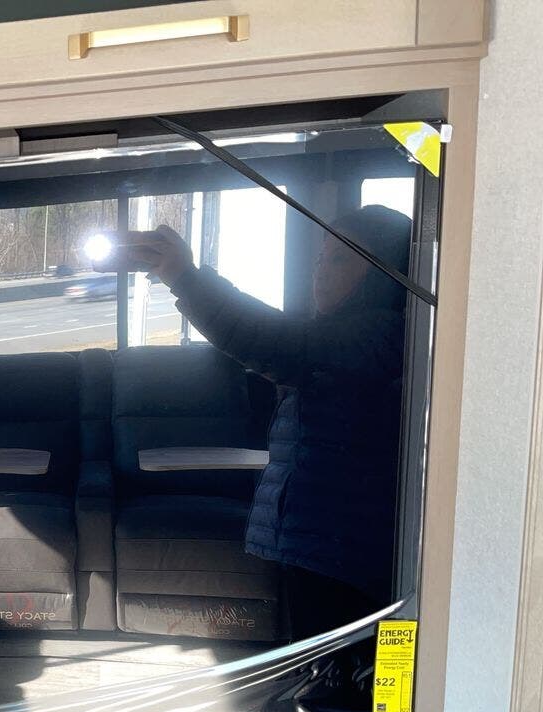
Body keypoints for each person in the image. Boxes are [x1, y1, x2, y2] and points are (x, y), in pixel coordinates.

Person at [106, 205, 413, 639]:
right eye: (321, 257)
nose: (321, 270)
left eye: (340, 259)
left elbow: (271, 340)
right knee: (316, 661)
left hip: (346, 552)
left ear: (384, 274)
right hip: (321, 544)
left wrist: (185, 278)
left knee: (340, 668)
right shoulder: (352, 337)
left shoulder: (380, 336)